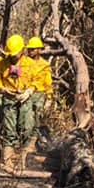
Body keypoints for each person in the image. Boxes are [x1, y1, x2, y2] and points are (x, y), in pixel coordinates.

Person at [0, 34, 29, 169]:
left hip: (24, 99)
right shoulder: (1, 63)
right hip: (6, 98)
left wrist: (29, 91)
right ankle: (5, 160)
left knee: (25, 128)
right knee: (5, 127)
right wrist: (1, 90)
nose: (13, 57)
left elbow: (36, 79)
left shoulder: (29, 63)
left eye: (15, 54)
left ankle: (21, 159)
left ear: (22, 50)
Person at [18, 35, 53, 164]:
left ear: (38, 50)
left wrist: (49, 97)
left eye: (32, 49)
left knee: (37, 121)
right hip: (27, 94)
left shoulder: (45, 65)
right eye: (29, 49)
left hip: (39, 94)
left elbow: (48, 82)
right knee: (25, 121)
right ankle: (25, 144)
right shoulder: (24, 62)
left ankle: (31, 147)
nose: (30, 51)